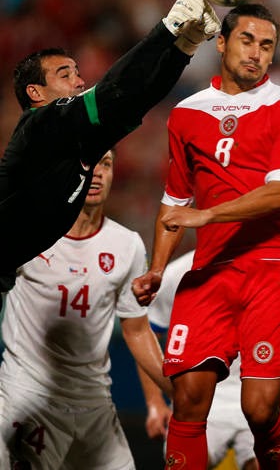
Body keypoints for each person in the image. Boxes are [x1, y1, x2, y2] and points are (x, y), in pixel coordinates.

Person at [132, 3, 280, 470]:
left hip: (273, 266)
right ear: (221, 42)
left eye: (267, 45)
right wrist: (157, 267)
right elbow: (174, 202)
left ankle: (274, 459)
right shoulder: (187, 113)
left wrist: (207, 215)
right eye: (247, 40)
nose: (257, 53)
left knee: (259, 406)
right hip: (211, 271)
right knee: (188, 397)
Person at [0, 0, 220, 290]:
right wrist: (168, 28)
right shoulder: (39, 126)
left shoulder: (79, 143)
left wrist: (184, 47)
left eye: (78, 73)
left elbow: (137, 99)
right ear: (35, 93)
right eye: (65, 75)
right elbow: (110, 92)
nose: (79, 82)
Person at [0, 149, 172, 469]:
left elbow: (136, 329)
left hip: (94, 404)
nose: (96, 172)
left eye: (105, 164)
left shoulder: (127, 244)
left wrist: (175, 390)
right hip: (30, 398)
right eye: (87, 164)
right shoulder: (25, 230)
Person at [137, 250, 258, 470]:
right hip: (200, 402)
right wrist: (154, 402)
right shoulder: (178, 273)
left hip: (257, 396)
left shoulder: (268, 267)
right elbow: (144, 333)